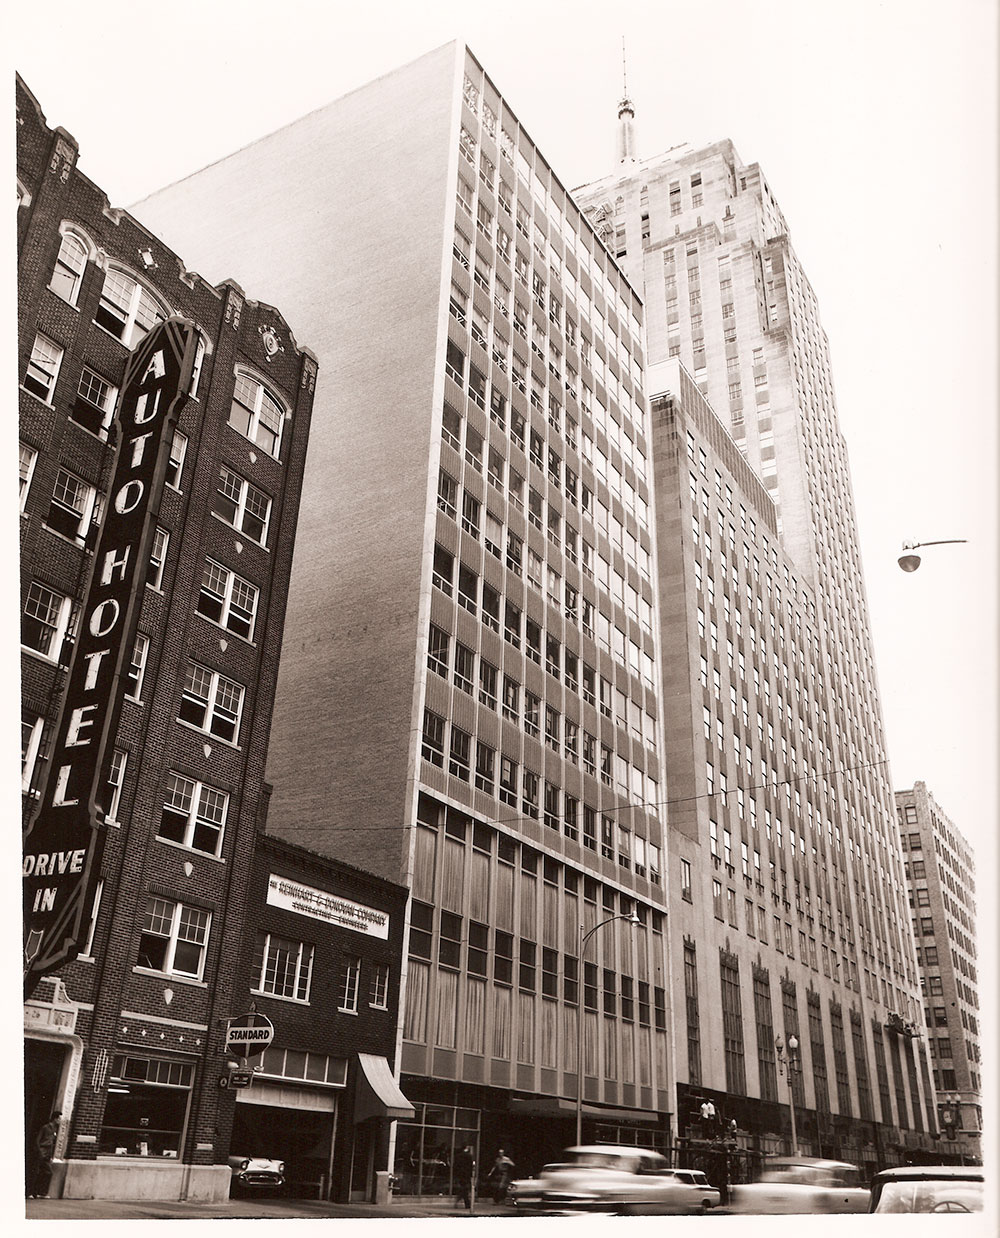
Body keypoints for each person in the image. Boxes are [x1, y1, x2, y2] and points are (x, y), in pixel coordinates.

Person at [31, 1111, 61, 1198]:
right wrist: (40, 1151)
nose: (59, 1120)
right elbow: (38, 1140)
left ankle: (42, 1192)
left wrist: (50, 1155)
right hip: (42, 1152)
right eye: (59, 1118)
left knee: (48, 1173)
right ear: (55, 1119)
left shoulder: (55, 1129)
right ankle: (32, 1192)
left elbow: (52, 1143)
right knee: (37, 1172)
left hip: (47, 1154)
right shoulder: (46, 1127)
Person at [453, 1144, 475, 1210]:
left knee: (463, 1188)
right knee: (465, 1189)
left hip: (460, 1174)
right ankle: (465, 1203)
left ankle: (464, 1203)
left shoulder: (458, 1156)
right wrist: (471, 1175)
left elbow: (455, 1166)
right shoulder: (469, 1156)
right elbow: (471, 1166)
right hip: (466, 1175)